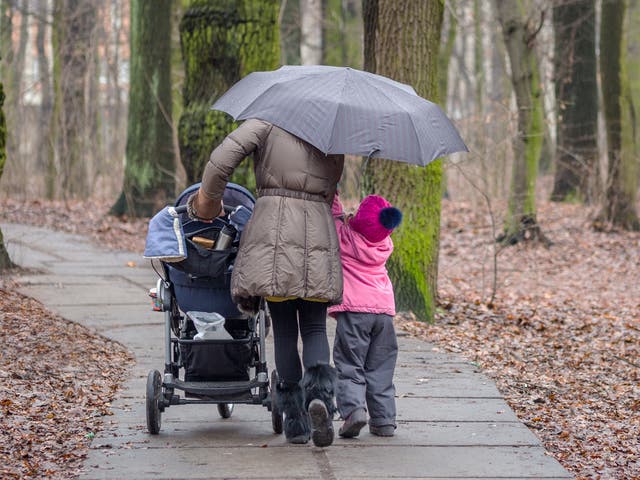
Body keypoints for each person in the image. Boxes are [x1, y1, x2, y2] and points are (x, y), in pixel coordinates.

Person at [187, 118, 344, 447]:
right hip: (317, 227)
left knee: (285, 329)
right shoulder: (332, 131)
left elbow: (220, 161)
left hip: (273, 229)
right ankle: (320, 401)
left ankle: (296, 422)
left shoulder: (267, 121)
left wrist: (209, 205)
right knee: (315, 328)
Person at [328, 192, 402, 438]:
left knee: (350, 364)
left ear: (357, 219)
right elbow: (371, 226)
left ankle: (353, 412)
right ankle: (384, 421)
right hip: (384, 313)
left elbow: (334, 214)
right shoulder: (384, 243)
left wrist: (334, 190)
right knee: (381, 367)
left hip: (354, 312)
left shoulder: (345, 237)